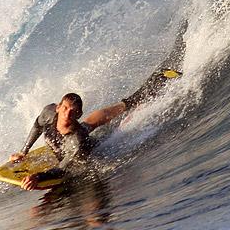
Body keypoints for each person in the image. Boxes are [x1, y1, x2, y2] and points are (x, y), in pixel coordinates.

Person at [9, 68, 182, 190]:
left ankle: (154, 86)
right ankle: (131, 102)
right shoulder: (49, 112)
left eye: (73, 112)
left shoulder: (76, 141)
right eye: (65, 108)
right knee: (90, 123)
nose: (67, 114)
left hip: (87, 149)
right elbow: (38, 125)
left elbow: (62, 169)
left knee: (102, 129)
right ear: (58, 107)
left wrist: (37, 177)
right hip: (77, 133)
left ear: (78, 114)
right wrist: (24, 151)